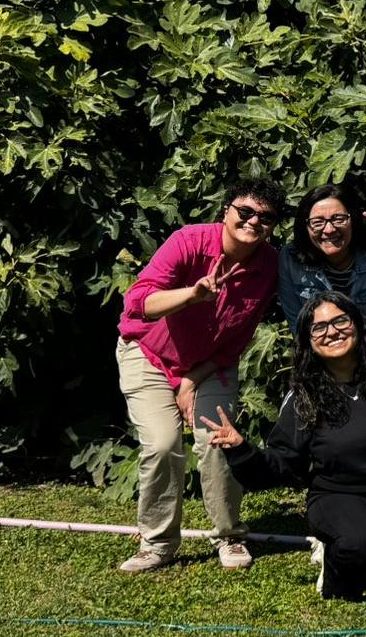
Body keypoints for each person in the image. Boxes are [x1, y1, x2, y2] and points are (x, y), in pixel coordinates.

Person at [203, 292, 366, 603]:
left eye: (340, 320)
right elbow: (283, 464)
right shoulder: (304, 396)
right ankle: (337, 576)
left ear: (358, 324)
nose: (332, 331)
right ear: (307, 341)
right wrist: (241, 449)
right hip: (340, 496)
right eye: (319, 327)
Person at [114, 176, 287, 573]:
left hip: (211, 364)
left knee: (217, 440)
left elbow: (236, 340)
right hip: (150, 354)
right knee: (161, 444)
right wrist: (192, 294)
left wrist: (193, 379)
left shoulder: (270, 267)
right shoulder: (189, 241)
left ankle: (230, 535)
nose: (253, 221)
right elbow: (139, 301)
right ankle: (157, 543)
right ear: (226, 210)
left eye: (265, 217)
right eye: (245, 211)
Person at [278, 184, 366, 350]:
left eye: (338, 219)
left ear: (353, 220)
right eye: (317, 222)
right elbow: (300, 328)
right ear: (305, 226)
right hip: (322, 359)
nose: (329, 229)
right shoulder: (291, 259)